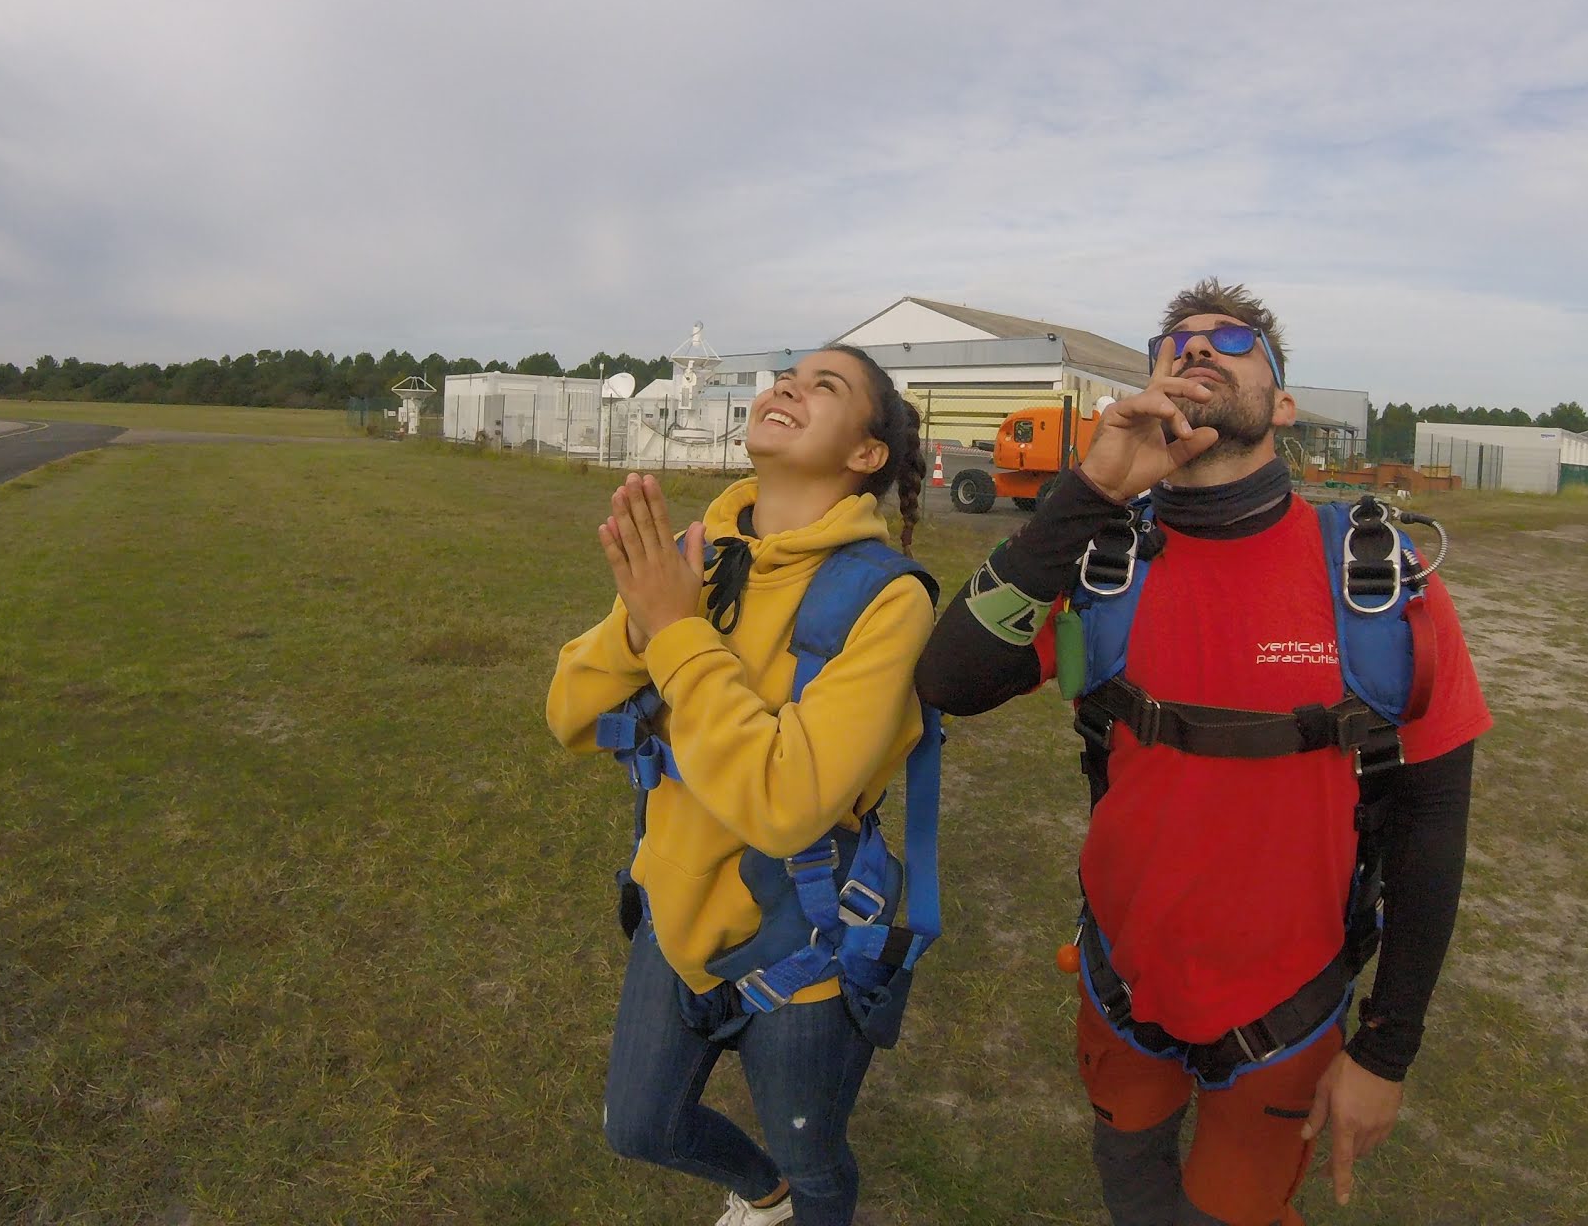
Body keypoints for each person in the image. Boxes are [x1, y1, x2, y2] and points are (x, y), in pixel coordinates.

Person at [915, 280, 1491, 1226]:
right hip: (1119, 985)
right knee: (1131, 1184)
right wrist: (1090, 493)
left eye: (1232, 339)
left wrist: (1386, 1051)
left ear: (1283, 403)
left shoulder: (1378, 583)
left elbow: (1433, 823)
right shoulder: (1104, 564)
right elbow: (950, 680)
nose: (1195, 348)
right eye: (1173, 341)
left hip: (1288, 1017)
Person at [546, 344, 936, 1226]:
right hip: (674, 916)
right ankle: (766, 1198)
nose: (789, 385)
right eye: (789, 374)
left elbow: (786, 803)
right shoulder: (697, 555)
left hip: (803, 944)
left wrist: (674, 630)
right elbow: (569, 713)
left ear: (867, 453)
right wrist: (643, 624)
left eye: (826, 386)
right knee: (639, 1128)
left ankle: (801, 1192)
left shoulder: (887, 599)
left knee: (815, 1157)